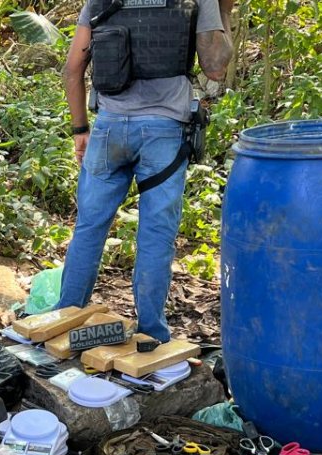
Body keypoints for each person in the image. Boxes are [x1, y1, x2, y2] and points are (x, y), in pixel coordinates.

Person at [59, 0, 234, 343]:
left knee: (89, 227)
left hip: (109, 129)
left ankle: (63, 320)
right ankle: (151, 333)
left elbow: (72, 69)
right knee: (156, 235)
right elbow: (215, 67)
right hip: (163, 133)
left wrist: (80, 129)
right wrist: (224, 10)